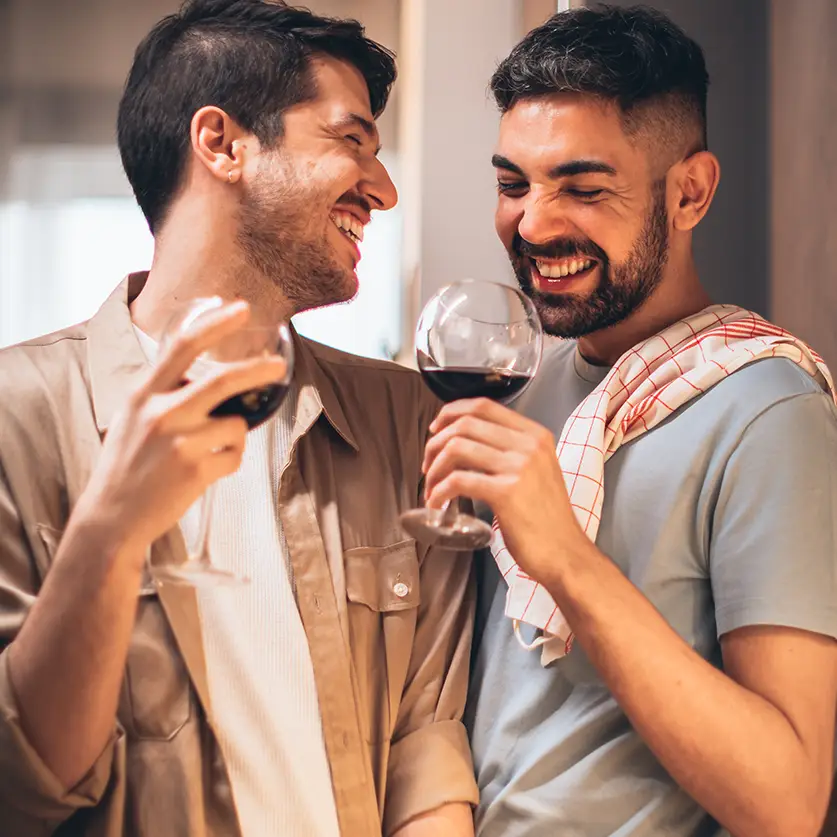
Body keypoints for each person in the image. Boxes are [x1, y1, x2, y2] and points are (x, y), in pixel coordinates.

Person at [0, 2, 477, 835]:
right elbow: (24, 785)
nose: (384, 187)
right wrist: (110, 528)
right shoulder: (18, 416)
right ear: (221, 143)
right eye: (350, 139)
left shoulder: (405, 419)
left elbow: (424, 745)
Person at [421, 6, 837, 837]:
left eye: (581, 187)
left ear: (689, 192)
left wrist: (566, 557)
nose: (533, 224)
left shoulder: (768, 409)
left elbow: (787, 803)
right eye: (513, 184)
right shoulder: (520, 382)